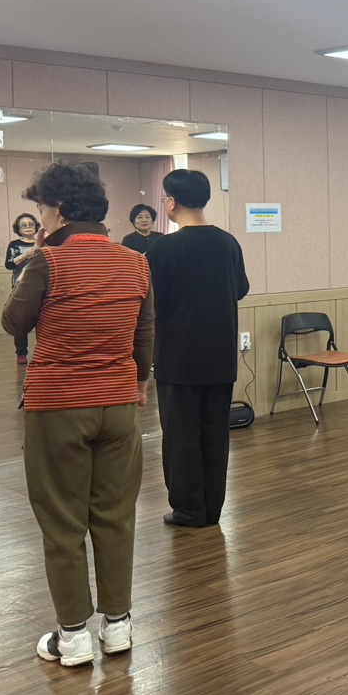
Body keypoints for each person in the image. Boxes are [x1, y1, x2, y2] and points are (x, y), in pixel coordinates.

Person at [2, 162, 154, 667]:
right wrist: (137, 383)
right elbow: (145, 334)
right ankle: (118, 627)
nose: (39, 216)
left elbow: (14, 322)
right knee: (116, 516)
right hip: (119, 405)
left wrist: (34, 258)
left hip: (59, 405)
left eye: (41, 207)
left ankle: (72, 637)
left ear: (60, 209)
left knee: (63, 522)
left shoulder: (48, 260)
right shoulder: (135, 262)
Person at [146, 168, 249, 529]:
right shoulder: (228, 243)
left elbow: (149, 300)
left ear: (171, 203)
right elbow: (240, 289)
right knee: (214, 434)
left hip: (179, 358)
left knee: (181, 436)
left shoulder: (163, 248)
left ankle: (189, 510)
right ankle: (211, 509)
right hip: (220, 356)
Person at [4, 213, 39, 365]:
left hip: (40, 286)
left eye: (31, 224)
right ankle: (21, 352)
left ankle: (42, 350)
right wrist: (25, 256)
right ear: (18, 229)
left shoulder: (42, 243)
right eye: (23, 225)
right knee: (20, 319)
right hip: (20, 286)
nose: (28, 227)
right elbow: (9, 264)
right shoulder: (14, 244)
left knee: (42, 320)